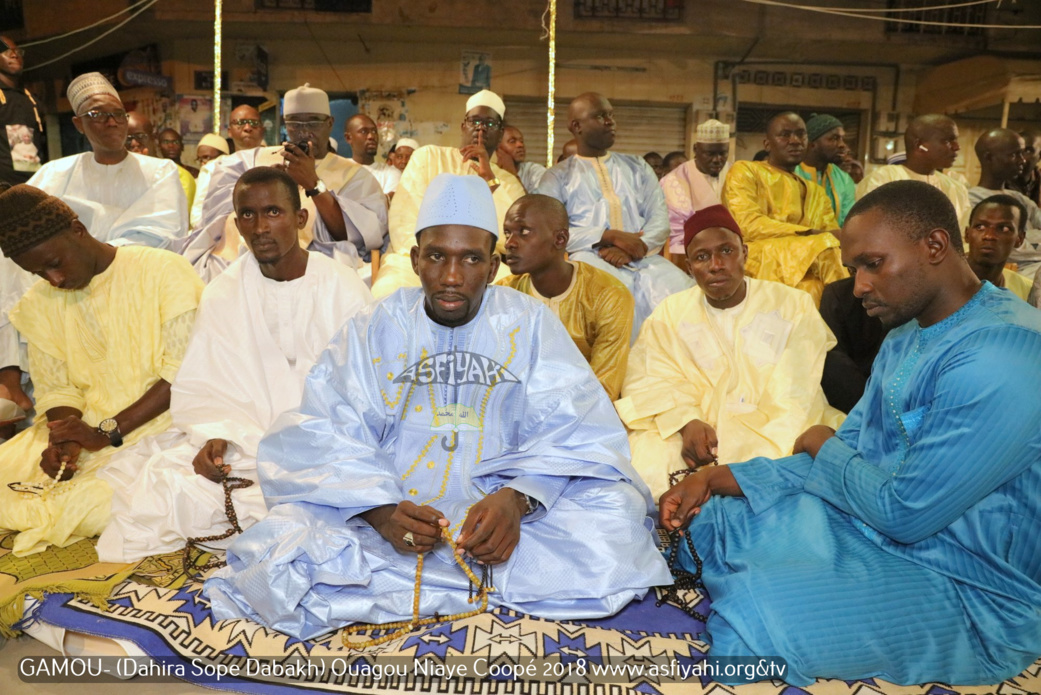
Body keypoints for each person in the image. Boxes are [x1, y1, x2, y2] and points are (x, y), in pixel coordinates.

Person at [202, 173, 671, 640]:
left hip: (505, 510)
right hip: (394, 502)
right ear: (415, 261)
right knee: (283, 543)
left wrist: (519, 499)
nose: (451, 277)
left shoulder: (528, 323)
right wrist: (378, 511)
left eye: (470, 259)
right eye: (437, 257)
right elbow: (321, 429)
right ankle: (481, 578)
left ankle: (408, 578)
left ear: (492, 267)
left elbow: (580, 429)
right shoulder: (376, 325)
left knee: (617, 519)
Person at [660, 180, 1041, 687]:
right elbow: (857, 450)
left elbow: (903, 512)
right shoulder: (908, 334)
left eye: (873, 264)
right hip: (872, 516)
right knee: (719, 516)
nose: (859, 286)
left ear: (934, 246)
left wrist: (821, 441)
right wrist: (721, 476)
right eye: (853, 269)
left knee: (757, 629)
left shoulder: (1004, 355)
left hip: (968, 580)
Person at [97, 168, 373, 563]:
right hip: (247, 442)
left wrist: (313, 444)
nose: (259, 227)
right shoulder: (223, 292)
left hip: (327, 442)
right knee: (164, 486)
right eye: (246, 215)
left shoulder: (343, 286)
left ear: (300, 219)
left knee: (356, 494)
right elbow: (207, 384)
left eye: (273, 212)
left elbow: (362, 386)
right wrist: (215, 436)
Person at [0, 183, 203, 557]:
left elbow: (184, 373)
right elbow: (56, 389)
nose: (54, 281)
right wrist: (63, 440)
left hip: (161, 426)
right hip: (90, 429)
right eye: (39, 273)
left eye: (54, 263)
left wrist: (105, 432)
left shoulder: (162, 270)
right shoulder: (39, 302)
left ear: (78, 230)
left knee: (110, 503)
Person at [618, 204, 842, 499]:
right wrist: (686, 421)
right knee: (646, 459)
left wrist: (737, 445)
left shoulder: (793, 304)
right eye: (702, 257)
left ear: (745, 254)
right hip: (696, 432)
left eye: (726, 251)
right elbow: (648, 378)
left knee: (798, 464)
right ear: (689, 267)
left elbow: (795, 392)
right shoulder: (670, 313)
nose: (716, 265)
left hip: (775, 425)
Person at [184, 84, 387, 283]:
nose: (304, 132)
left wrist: (313, 185)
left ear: (330, 123)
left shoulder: (355, 175)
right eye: (295, 123)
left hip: (315, 271)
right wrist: (263, 185)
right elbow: (215, 221)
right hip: (242, 263)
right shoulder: (247, 161)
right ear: (285, 124)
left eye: (313, 122)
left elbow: (361, 235)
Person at [538, 92, 692, 337]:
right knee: (610, 306)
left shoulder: (638, 167)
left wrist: (636, 245)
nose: (611, 122)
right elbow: (548, 232)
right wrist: (607, 235)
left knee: (682, 298)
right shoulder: (556, 177)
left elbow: (660, 219)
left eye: (611, 115)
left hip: (644, 258)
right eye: (600, 116)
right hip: (590, 260)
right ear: (576, 126)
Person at [371, 89, 524, 299]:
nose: (480, 128)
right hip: (418, 259)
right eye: (474, 121)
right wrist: (431, 259)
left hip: (476, 264)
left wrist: (489, 179)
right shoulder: (428, 157)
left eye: (489, 124)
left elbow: (507, 239)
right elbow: (403, 220)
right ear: (463, 126)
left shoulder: (507, 182)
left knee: (511, 293)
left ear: (500, 133)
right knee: (388, 291)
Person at [27, 73, 187, 249]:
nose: (112, 122)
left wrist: (103, 254)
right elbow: (30, 228)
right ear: (79, 124)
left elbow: (165, 231)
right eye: (98, 114)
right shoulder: (55, 174)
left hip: (139, 268)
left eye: (119, 114)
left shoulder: (160, 171)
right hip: (72, 270)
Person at [497, 194, 632, 400]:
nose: (510, 243)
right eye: (507, 233)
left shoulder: (608, 295)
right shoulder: (503, 297)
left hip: (584, 415)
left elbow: (604, 388)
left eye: (523, 232)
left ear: (559, 239)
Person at [721, 112, 845, 304]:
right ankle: (854, 315)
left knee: (812, 288)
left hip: (807, 260)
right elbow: (746, 224)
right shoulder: (746, 171)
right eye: (785, 135)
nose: (795, 141)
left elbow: (832, 234)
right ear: (767, 144)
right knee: (826, 247)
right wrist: (810, 234)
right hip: (759, 256)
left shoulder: (816, 192)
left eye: (800, 134)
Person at [856, 114, 970, 228]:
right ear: (919, 145)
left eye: (955, 140)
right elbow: (867, 230)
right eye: (947, 141)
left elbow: (963, 240)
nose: (957, 147)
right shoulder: (882, 179)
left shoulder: (957, 188)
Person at [968, 128, 1041, 278]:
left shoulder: (1018, 198)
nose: (1022, 160)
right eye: (1014, 154)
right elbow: (1005, 249)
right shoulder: (970, 200)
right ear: (989, 157)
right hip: (1011, 273)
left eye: (1022, 153)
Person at [662, 118, 731, 268]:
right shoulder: (673, 181)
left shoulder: (736, 174)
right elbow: (676, 233)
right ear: (695, 149)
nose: (717, 160)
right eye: (710, 154)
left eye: (723, 153)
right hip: (690, 256)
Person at [818, 276, 886, 414]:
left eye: (873, 264)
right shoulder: (837, 294)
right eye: (852, 270)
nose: (858, 289)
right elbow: (833, 365)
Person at [965, 195, 1032, 301]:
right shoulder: (938, 281)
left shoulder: (1026, 290)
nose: (989, 236)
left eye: (1004, 229)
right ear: (967, 234)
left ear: (1019, 239)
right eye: (980, 227)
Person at [0, 35, 45, 185]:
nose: (14, 55)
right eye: (6, 52)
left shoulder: (31, 99)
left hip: (34, 182)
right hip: (4, 186)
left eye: (17, 51)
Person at [796, 113, 856, 225]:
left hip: (833, 241)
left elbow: (848, 223)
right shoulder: (791, 173)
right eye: (834, 138)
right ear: (812, 144)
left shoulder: (844, 180)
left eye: (842, 139)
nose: (842, 145)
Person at [345, 113, 399, 196]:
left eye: (374, 131)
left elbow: (383, 206)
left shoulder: (390, 173)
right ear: (348, 138)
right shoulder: (340, 171)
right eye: (363, 131)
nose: (371, 136)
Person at [189, 132, 231, 229]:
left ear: (223, 156)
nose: (204, 163)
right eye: (200, 159)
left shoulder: (216, 168)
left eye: (207, 157)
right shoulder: (199, 179)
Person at [496, 125, 546, 193]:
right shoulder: (488, 172)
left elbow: (535, 203)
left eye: (521, 141)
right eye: (512, 141)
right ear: (497, 148)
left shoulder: (534, 171)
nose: (520, 145)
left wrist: (513, 175)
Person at [1010, 129, 1041, 206]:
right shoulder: (998, 182)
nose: (1021, 157)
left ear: (1039, 156)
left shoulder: (1037, 180)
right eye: (1016, 150)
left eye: (1028, 151)